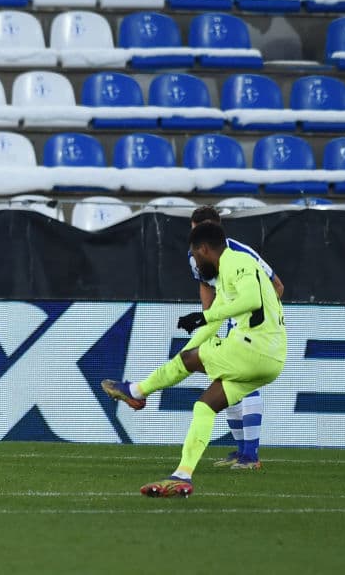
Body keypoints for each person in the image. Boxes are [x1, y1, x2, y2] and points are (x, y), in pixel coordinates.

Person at [102, 221, 286, 497]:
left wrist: (204, 318)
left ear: (203, 249)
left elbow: (251, 300)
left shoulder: (236, 261)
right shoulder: (227, 273)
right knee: (205, 406)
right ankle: (182, 476)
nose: (196, 264)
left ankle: (136, 391)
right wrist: (187, 347)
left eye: (196, 256)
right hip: (271, 360)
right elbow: (213, 323)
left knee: (189, 361)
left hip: (253, 348)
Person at [189, 205, 284, 470]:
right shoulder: (194, 255)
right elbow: (206, 285)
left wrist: (262, 319)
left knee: (244, 382)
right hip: (229, 323)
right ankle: (243, 451)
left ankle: (251, 455)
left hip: (252, 328)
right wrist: (210, 321)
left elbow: (277, 286)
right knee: (226, 382)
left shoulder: (241, 253)